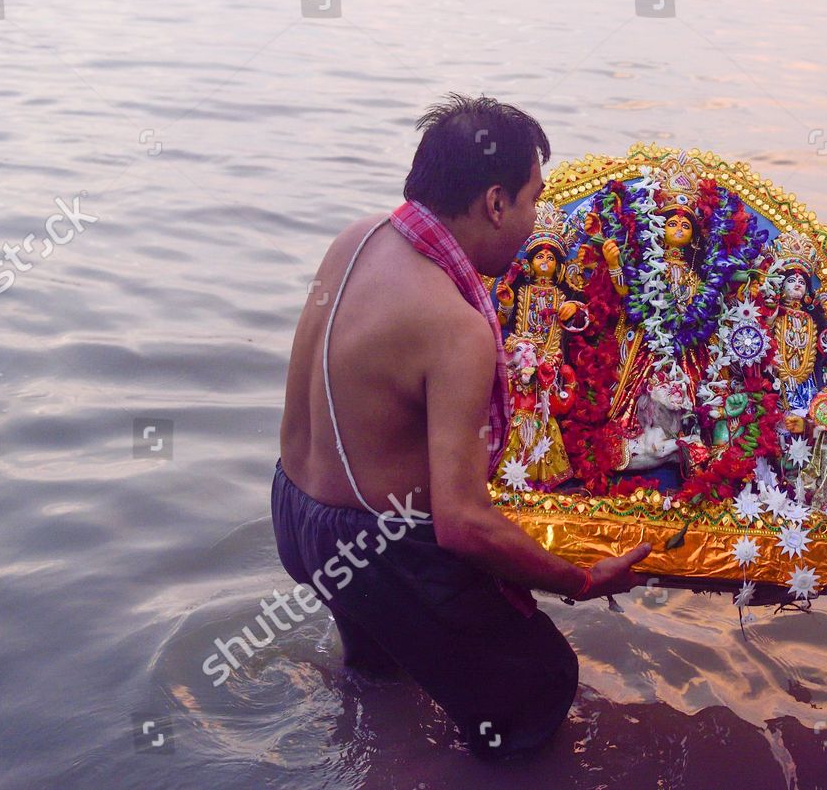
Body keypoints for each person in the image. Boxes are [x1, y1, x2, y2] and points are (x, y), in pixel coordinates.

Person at [273, 94, 651, 757]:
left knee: (382, 669)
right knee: (542, 683)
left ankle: (374, 743)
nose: (536, 222)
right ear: (497, 202)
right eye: (534, 201)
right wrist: (582, 580)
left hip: (295, 514)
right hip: (371, 546)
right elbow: (461, 524)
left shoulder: (355, 238)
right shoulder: (455, 328)